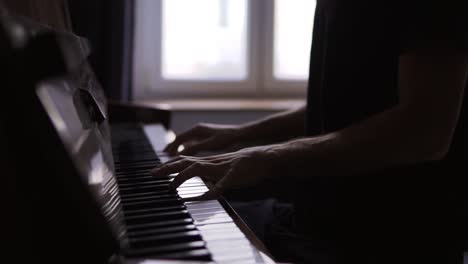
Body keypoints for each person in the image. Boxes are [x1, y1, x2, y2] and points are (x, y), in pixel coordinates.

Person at [151, 0, 468, 263]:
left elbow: (425, 132)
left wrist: (267, 157)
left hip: (385, 241)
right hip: (310, 219)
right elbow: (337, 107)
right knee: (168, 225)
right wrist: (240, 135)